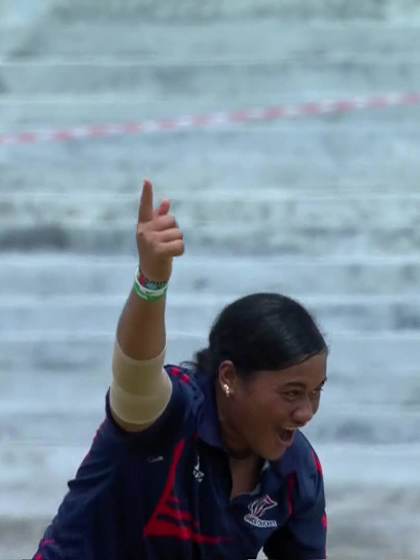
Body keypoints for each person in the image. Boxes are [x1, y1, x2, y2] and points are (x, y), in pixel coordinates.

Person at [32, 179, 328, 560]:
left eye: (316, 392)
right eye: (291, 393)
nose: (305, 413)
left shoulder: (295, 472)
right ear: (229, 378)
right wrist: (152, 282)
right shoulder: (172, 414)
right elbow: (136, 375)